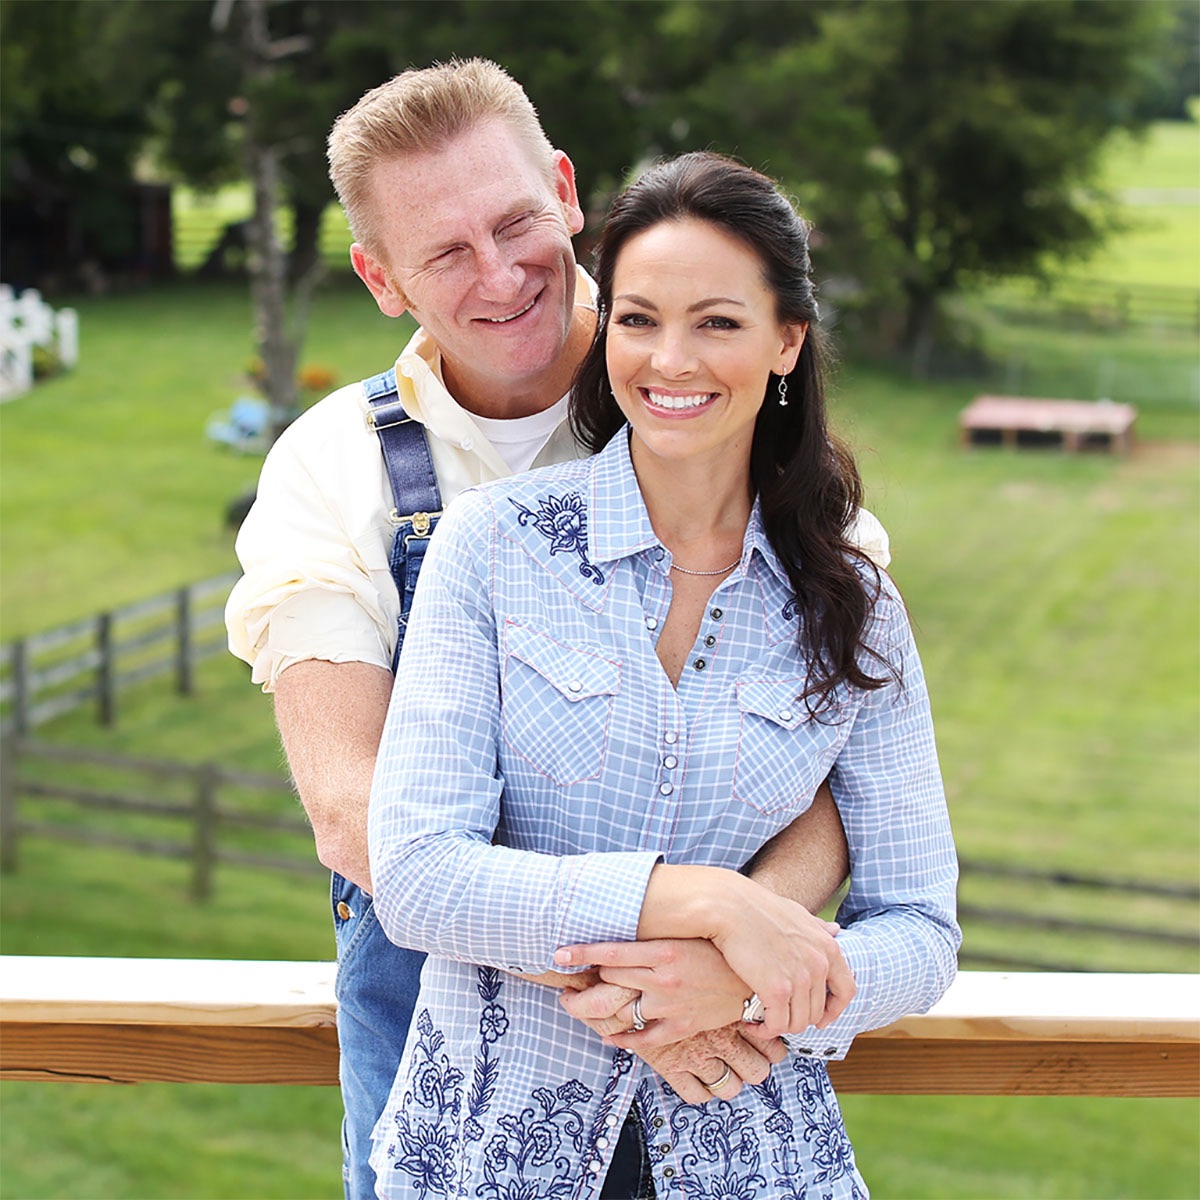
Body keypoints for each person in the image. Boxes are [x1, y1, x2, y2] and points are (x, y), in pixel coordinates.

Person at [224, 60, 889, 1200]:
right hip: (453, 1050)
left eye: (517, 220)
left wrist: (725, 972)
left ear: (569, 191)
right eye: (443, 252)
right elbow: (355, 814)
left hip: (723, 1047)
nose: (500, 274)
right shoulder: (336, 466)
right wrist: (658, 972)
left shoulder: (731, 418)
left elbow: (845, 781)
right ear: (381, 278)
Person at [365, 150, 960, 1199]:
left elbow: (922, 928)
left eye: (717, 323)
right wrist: (704, 903)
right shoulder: (491, 550)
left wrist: (741, 988)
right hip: (484, 1160)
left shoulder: (856, 609)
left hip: (758, 1161)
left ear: (786, 342)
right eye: (637, 320)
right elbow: (418, 878)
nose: (670, 360)